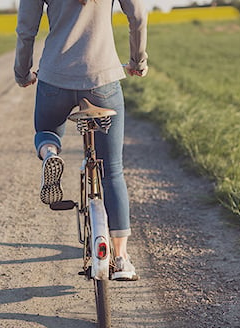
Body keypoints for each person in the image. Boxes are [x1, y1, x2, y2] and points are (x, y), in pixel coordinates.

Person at [14, 0, 148, 281]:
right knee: (111, 170)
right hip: (102, 81)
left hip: (54, 80)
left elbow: (26, 30)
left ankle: (50, 152)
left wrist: (23, 73)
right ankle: (121, 258)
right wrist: (137, 61)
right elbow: (137, 16)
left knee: (47, 131)